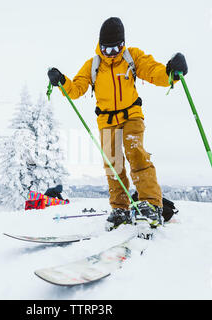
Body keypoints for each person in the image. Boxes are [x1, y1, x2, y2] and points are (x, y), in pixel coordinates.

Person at [47, 17, 187, 229]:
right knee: (113, 164)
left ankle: (150, 204)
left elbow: (154, 72)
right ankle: (120, 208)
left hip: (132, 114)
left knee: (136, 152)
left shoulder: (133, 57)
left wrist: (171, 72)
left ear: (123, 44)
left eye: (116, 48)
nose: (111, 53)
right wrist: (61, 80)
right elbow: (76, 90)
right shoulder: (93, 65)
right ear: (100, 45)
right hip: (106, 119)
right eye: (107, 49)